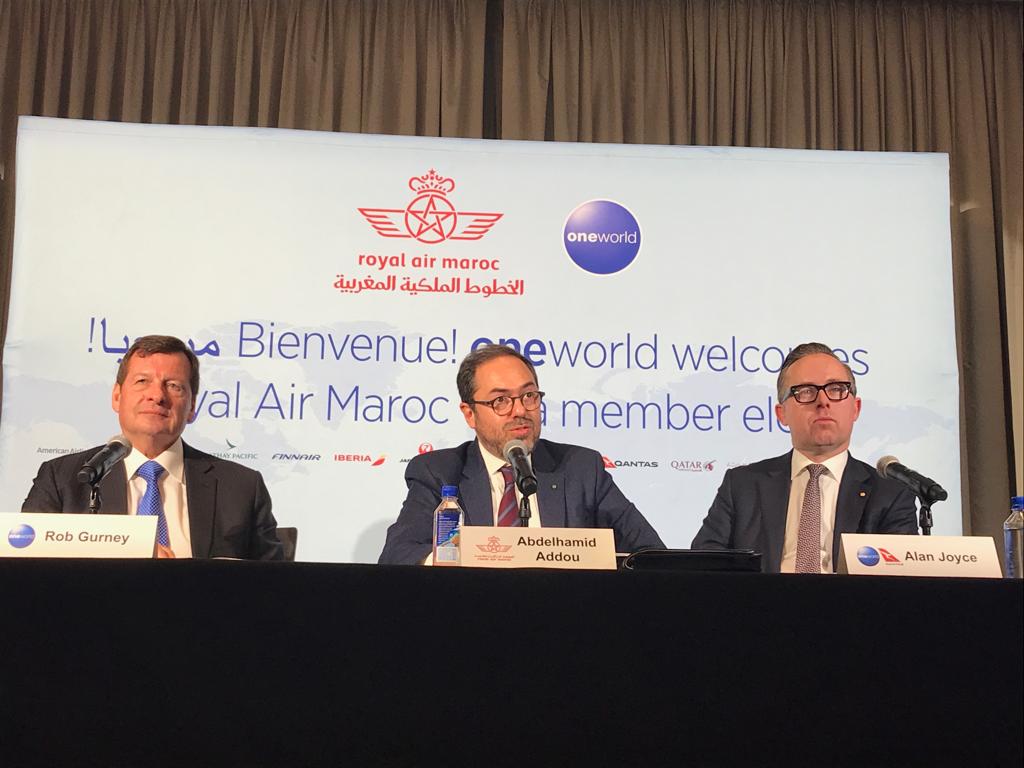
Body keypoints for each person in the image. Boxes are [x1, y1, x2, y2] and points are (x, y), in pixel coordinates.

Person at [379, 344, 664, 564]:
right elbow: (398, 553)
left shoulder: (581, 469)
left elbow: (651, 555)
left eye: (529, 396)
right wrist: (465, 559)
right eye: (500, 400)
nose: (519, 410)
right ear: (470, 414)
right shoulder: (439, 472)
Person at [22, 335, 283, 560]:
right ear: (117, 396)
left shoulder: (241, 487)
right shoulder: (65, 478)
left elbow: (274, 586)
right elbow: (26, 565)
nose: (157, 396)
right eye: (142, 381)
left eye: (174, 386)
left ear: (192, 407)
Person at [691, 342, 918, 573]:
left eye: (836, 389)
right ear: (782, 413)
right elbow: (703, 567)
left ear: (855, 408)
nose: (823, 402)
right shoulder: (742, 485)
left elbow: (900, 582)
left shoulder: (890, 494)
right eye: (806, 391)